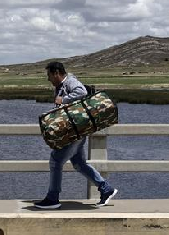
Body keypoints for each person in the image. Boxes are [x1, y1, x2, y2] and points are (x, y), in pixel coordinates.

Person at [34, 61, 118, 209]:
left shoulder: (70, 81)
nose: (48, 79)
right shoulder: (61, 86)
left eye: (49, 75)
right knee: (79, 164)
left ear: (56, 73)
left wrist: (63, 100)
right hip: (75, 131)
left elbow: (82, 92)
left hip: (74, 132)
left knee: (56, 160)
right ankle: (106, 188)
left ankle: (53, 198)